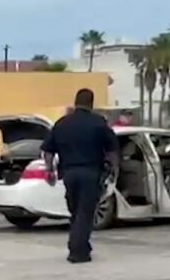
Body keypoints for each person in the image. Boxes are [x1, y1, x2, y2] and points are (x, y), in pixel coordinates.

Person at [41, 88, 120, 263]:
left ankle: (81, 246)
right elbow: (112, 149)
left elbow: (47, 150)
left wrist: (49, 171)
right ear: (91, 103)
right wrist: (113, 170)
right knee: (84, 214)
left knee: (76, 212)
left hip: (69, 175)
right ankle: (77, 251)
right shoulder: (98, 123)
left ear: (75, 102)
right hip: (91, 174)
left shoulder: (62, 123)